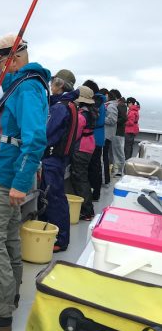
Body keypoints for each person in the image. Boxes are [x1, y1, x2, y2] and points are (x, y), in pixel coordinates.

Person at [0, 35, 50, 331]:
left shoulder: (27, 88)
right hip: (9, 176)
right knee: (8, 239)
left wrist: (19, 183)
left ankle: (0, 312)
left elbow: (35, 139)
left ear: (13, 60)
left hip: (4, 177)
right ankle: (7, 294)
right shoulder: (27, 86)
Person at [39, 69, 79, 252]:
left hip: (52, 159)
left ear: (60, 84)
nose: (51, 84)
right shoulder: (70, 105)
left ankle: (60, 239)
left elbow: (47, 133)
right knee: (56, 198)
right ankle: (58, 235)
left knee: (54, 198)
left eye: (53, 81)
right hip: (60, 158)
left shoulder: (60, 107)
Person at [70, 85, 97, 221]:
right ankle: (88, 209)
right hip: (89, 145)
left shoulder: (82, 115)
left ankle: (87, 211)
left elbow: (75, 134)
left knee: (80, 178)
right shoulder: (92, 111)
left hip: (81, 148)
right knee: (83, 177)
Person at [84, 80, 106, 202]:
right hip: (99, 137)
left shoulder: (96, 102)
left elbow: (93, 119)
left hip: (94, 137)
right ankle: (96, 192)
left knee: (93, 167)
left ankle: (94, 193)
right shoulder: (101, 101)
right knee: (96, 166)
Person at [109, 89, 127, 177]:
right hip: (114, 132)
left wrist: (114, 121)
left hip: (118, 132)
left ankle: (120, 171)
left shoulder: (121, 105)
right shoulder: (119, 104)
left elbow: (124, 118)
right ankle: (112, 169)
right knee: (112, 152)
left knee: (118, 152)